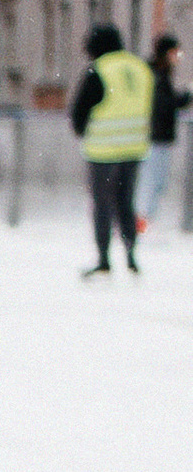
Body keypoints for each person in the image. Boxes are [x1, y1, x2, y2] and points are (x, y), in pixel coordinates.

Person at [72, 18, 154, 277]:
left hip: (103, 151)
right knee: (125, 202)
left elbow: (79, 111)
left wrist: (82, 130)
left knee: (102, 205)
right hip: (134, 148)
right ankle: (131, 253)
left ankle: (104, 257)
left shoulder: (99, 69)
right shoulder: (140, 68)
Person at [141, 32, 180, 241]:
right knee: (151, 181)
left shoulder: (161, 74)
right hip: (154, 137)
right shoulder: (156, 74)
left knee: (157, 182)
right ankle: (143, 221)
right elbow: (163, 104)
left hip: (160, 136)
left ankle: (146, 221)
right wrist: (181, 99)